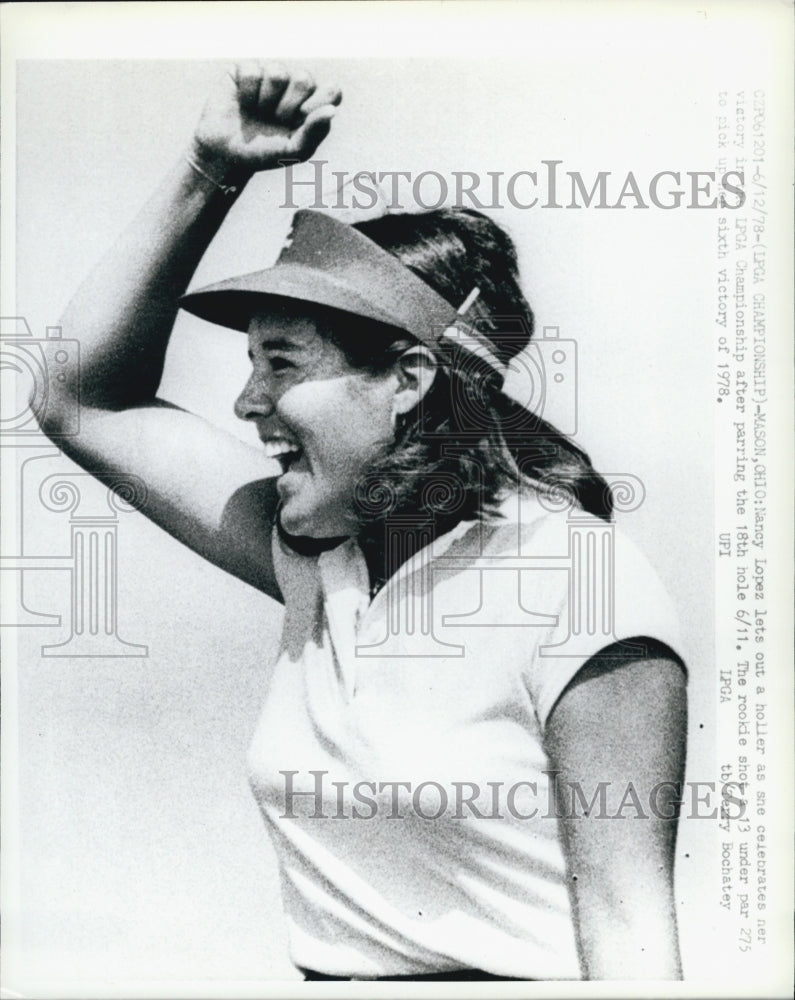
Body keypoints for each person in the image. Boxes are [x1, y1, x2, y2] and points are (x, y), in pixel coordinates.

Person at [41, 62, 688, 981]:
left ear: (410, 381)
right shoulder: (317, 555)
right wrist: (207, 169)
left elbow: (630, 933)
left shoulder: (579, 583)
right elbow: (80, 402)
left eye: (282, 363)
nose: (245, 400)